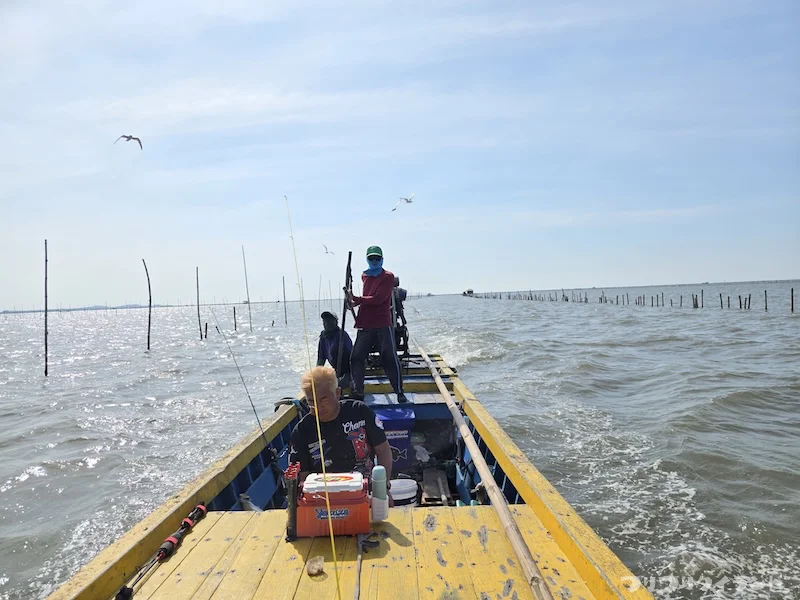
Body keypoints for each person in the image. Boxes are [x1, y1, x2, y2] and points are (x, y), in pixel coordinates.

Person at [288, 366, 393, 502]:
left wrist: (383, 487)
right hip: (323, 497)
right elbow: (303, 476)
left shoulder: (359, 411)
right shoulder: (302, 431)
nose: (318, 407)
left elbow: (383, 449)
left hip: (365, 490)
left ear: (337, 393)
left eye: (323, 400)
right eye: (311, 401)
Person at [345, 246, 406, 403]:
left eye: (377, 258)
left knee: (389, 358)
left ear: (382, 259)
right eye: (371, 258)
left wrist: (358, 299)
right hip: (365, 323)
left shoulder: (388, 277)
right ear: (367, 259)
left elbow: (378, 299)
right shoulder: (364, 275)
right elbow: (366, 299)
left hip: (382, 324)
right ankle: (358, 390)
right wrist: (351, 302)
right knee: (356, 357)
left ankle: (399, 391)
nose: (374, 261)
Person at [316, 311, 353, 389]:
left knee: (340, 385)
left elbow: (351, 356)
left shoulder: (342, 335)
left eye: (329, 321)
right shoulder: (323, 337)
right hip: (336, 369)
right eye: (325, 321)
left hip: (349, 370)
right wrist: (316, 376)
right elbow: (321, 359)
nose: (327, 323)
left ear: (335, 322)